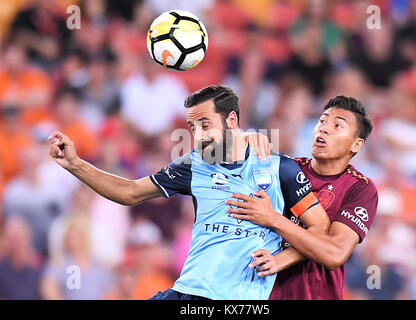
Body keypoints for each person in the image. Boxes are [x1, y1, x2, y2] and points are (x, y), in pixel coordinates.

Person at [48, 85, 330, 300]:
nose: (198, 135)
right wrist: (75, 164)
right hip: (187, 292)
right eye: (192, 127)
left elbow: (320, 228)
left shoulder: (281, 168)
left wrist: (282, 258)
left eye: (205, 125)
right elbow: (130, 192)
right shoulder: (193, 165)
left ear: (231, 120)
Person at [227, 95, 378, 299]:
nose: (324, 128)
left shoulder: (359, 188)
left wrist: (274, 221)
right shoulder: (283, 169)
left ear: (356, 145)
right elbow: (216, 167)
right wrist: (243, 146)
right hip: (258, 292)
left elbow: (334, 253)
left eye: (338, 126)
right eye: (322, 121)